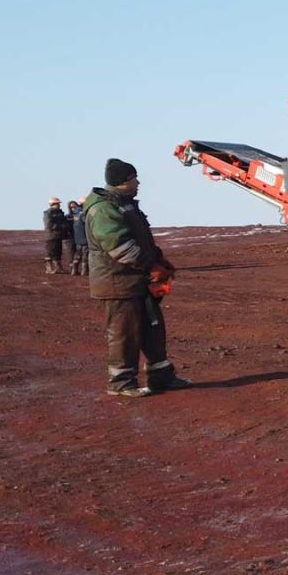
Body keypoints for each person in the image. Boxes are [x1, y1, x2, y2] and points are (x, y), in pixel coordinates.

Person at [84, 158, 189, 397]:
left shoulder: (124, 205)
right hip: (118, 283)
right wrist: (150, 266)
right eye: (134, 179)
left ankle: (161, 377)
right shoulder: (103, 209)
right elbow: (119, 246)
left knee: (153, 329)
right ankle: (121, 383)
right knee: (124, 333)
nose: (138, 183)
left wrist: (160, 261)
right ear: (123, 181)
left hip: (136, 282)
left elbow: (142, 240)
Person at [42, 197, 69, 274]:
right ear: (53, 204)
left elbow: (64, 221)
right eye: (57, 204)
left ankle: (58, 268)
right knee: (50, 252)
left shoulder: (60, 212)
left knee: (58, 252)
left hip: (58, 236)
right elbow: (49, 224)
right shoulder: (48, 213)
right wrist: (61, 226)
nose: (59, 205)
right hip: (51, 236)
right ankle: (49, 268)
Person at [66, 199, 88, 275]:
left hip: (77, 237)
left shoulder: (75, 214)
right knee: (85, 253)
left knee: (78, 253)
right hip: (85, 236)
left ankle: (74, 269)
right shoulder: (83, 213)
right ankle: (84, 271)